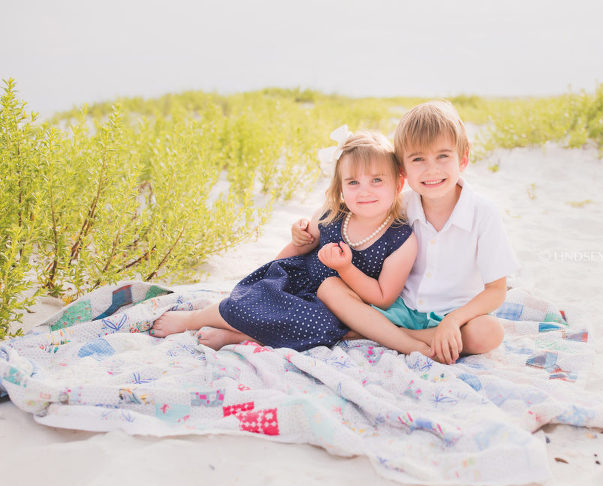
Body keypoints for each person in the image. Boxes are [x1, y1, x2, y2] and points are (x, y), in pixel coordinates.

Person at [150, 131, 428, 356]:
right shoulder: (333, 214)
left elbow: (383, 297)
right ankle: (194, 318)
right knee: (247, 302)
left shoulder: (400, 238)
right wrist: (299, 238)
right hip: (299, 282)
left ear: (398, 182)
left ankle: (241, 336)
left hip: (339, 306)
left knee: (320, 328)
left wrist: (345, 269)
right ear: (340, 187)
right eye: (353, 182)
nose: (364, 191)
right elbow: (302, 247)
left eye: (377, 180)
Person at [292, 101, 519, 364]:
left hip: (457, 314)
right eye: (418, 159)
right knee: (331, 289)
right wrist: (303, 230)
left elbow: (496, 291)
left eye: (443, 156)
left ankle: (394, 335)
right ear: (403, 168)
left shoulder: (483, 213)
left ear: (463, 158)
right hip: (399, 308)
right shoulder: (401, 204)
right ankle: (404, 334)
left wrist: (454, 320)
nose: (431, 169)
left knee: (490, 333)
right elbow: (348, 215)